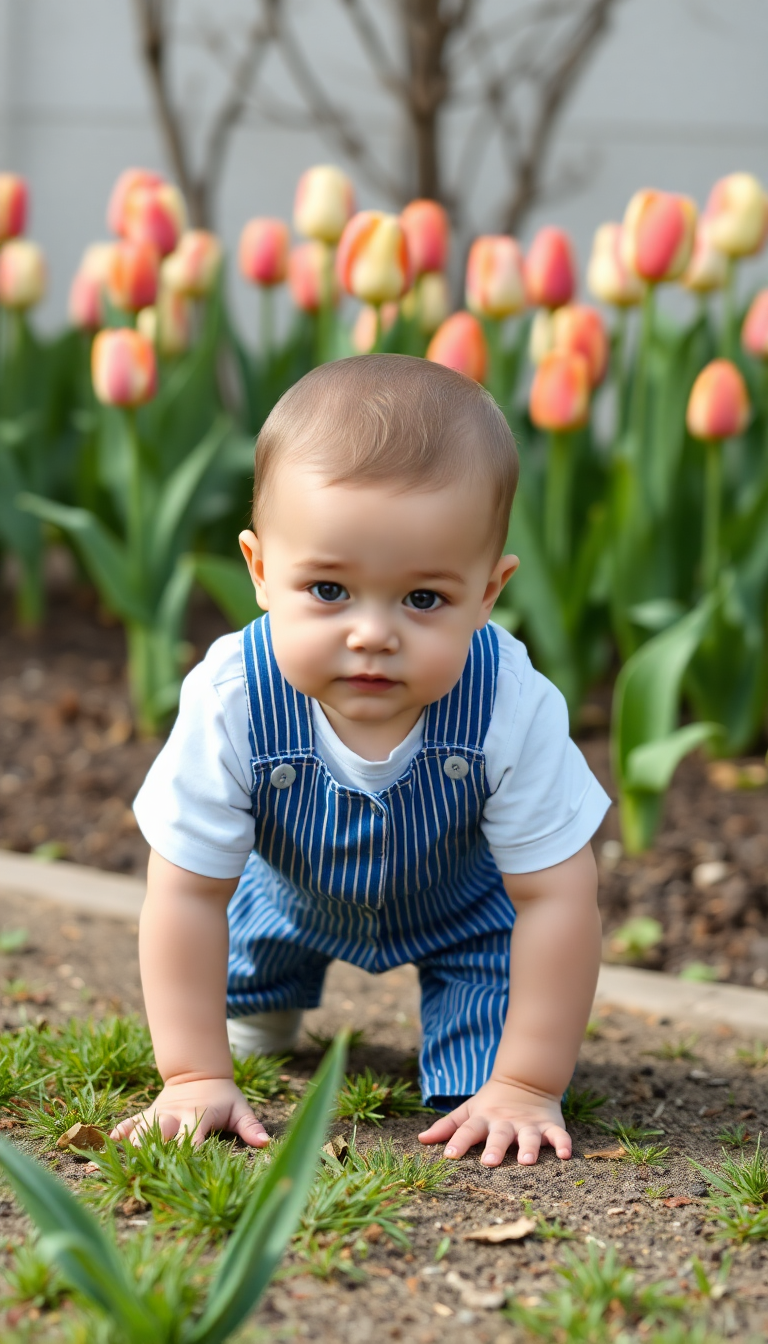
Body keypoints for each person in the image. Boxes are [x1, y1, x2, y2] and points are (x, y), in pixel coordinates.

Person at [116, 353, 610, 1168]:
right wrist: (194, 1071)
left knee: (483, 1089)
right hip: (283, 898)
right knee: (242, 1014)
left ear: (489, 593)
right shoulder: (233, 696)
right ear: (262, 571)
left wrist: (528, 1080)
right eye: (329, 590)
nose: (372, 633)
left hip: (466, 914)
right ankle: (258, 1007)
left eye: (424, 599)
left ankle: (487, 1062)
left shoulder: (510, 701)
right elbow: (187, 890)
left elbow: (559, 896)